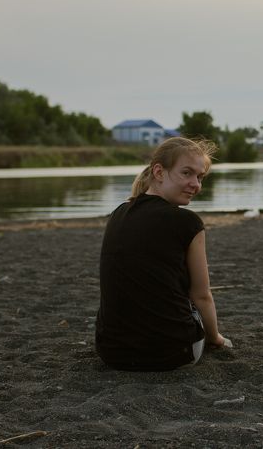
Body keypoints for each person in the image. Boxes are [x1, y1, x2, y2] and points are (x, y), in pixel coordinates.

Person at [95, 136, 231, 371]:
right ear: (159, 172)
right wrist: (215, 338)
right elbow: (201, 296)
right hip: (171, 352)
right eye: (186, 173)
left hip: (112, 351)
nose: (196, 185)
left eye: (200, 177)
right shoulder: (187, 222)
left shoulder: (118, 213)